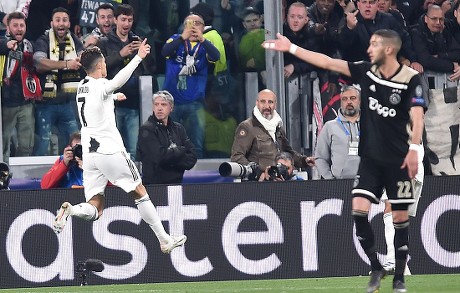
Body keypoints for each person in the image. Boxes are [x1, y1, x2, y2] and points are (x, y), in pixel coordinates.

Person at [263, 29, 425, 292]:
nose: (369, 49)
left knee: (398, 217)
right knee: (359, 212)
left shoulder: (411, 79)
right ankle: (376, 266)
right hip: (372, 160)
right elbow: (327, 62)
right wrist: (292, 48)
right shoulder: (365, 71)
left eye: (374, 45)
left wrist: (415, 149)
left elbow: (418, 117)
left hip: (399, 158)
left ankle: (399, 276)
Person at [52, 41, 186, 254]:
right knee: (140, 192)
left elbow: (97, 100)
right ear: (99, 66)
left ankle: (71, 211)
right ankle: (164, 239)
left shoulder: (82, 87)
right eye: (104, 63)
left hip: (90, 154)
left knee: (95, 205)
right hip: (109, 150)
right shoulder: (101, 84)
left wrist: (112, 98)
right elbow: (115, 82)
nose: (105, 66)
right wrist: (139, 57)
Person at [98, 4, 156, 160]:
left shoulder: (138, 41)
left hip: (134, 104)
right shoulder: (103, 42)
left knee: (132, 147)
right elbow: (100, 67)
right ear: (115, 20)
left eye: (130, 20)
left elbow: (151, 69)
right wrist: (121, 54)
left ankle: (134, 181)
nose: (126, 24)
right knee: (113, 147)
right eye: (123, 19)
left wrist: (145, 55)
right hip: (112, 105)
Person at [161, 13, 220, 159]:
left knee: (196, 144)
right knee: (170, 143)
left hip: (195, 103)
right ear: (183, 26)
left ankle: (197, 179)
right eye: (189, 23)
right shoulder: (176, 39)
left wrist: (203, 39)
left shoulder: (205, 44)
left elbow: (216, 56)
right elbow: (164, 52)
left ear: (203, 27)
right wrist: (182, 37)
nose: (193, 27)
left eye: (197, 23)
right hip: (172, 102)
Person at [33, 7, 82, 155]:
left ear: (69, 23)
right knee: (43, 141)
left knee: (76, 140)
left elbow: (85, 59)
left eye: (64, 20)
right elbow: (39, 64)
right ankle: (39, 178)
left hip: (67, 103)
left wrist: (85, 55)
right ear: (51, 23)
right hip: (46, 103)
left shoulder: (75, 40)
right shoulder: (43, 40)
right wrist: (67, 64)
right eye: (58, 20)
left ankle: (75, 171)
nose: (61, 24)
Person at [231, 89, 315, 175]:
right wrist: (257, 172)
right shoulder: (247, 127)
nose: (267, 106)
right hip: (257, 183)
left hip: (278, 179)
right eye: (263, 102)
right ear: (257, 103)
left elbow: (288, 153)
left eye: (270, 102)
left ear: (275, 104)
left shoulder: (278, 127)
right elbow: (237, 156)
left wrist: (304, 161)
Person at [0, 11, 39, 164]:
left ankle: (21, 180)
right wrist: (6, 44)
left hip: (26, 104)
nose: (19, 29)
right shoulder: (4, 43)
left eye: (21, 25)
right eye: (15, 25)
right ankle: (3, 178)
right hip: (5, 105)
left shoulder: (30, 46)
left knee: (26, 144)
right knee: (3, 146)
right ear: (8, 29)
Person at [137, 90, 197, 185]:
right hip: (154, 186)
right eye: (156, 104)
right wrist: (179, 151)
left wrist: (169, 157)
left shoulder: (178, 128)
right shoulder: (147, 129)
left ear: (171, 108)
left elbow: (192, 158)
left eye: (163, 105)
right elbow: (158, 158)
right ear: (153, 107)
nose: (159, 108)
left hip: (176, 184)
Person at [315, 85, 361, 179]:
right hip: (340, 184)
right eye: (344, 99)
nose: (349, 102)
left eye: (353, 98)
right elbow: (320, 158)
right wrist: (330, 180)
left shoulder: (370, 126)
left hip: (367, 184)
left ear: (359, 101)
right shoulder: (330, 127)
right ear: (341, 102)